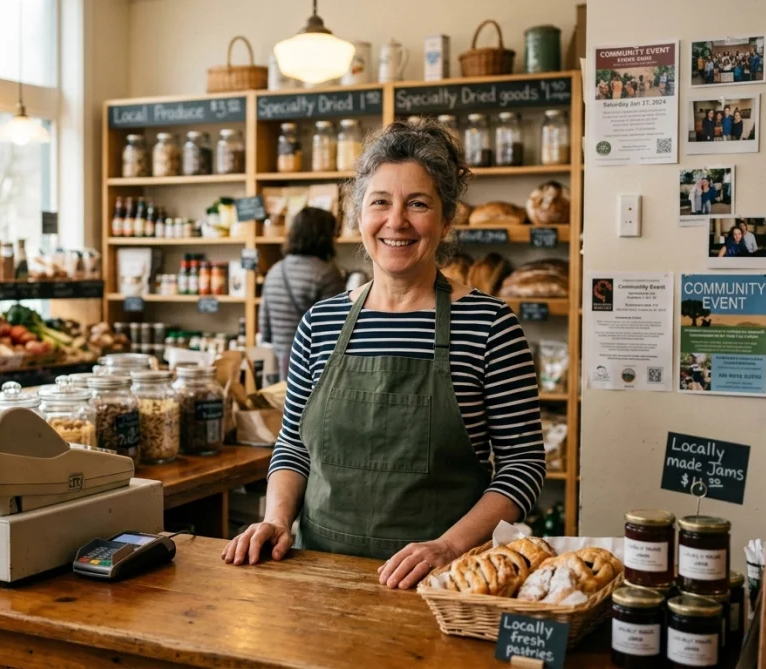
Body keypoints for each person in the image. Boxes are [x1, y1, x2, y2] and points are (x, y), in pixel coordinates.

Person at [222, 120, 546, 589]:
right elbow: (293, 445)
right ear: (358, 216)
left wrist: (448, 547)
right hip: (318, 576)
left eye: (418, 203)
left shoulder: (490, 325)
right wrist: (276, 520)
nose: (397, 221)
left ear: (447, 220)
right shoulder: (320, 323)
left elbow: (523, 465)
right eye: (380, 202)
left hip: (443, 585)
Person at [258, 207, 347, 378]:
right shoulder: (326, 273)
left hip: (279, 366)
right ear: (324, 236)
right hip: (313, 368)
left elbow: (265, 329)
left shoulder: (274, 270)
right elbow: (335, 330)